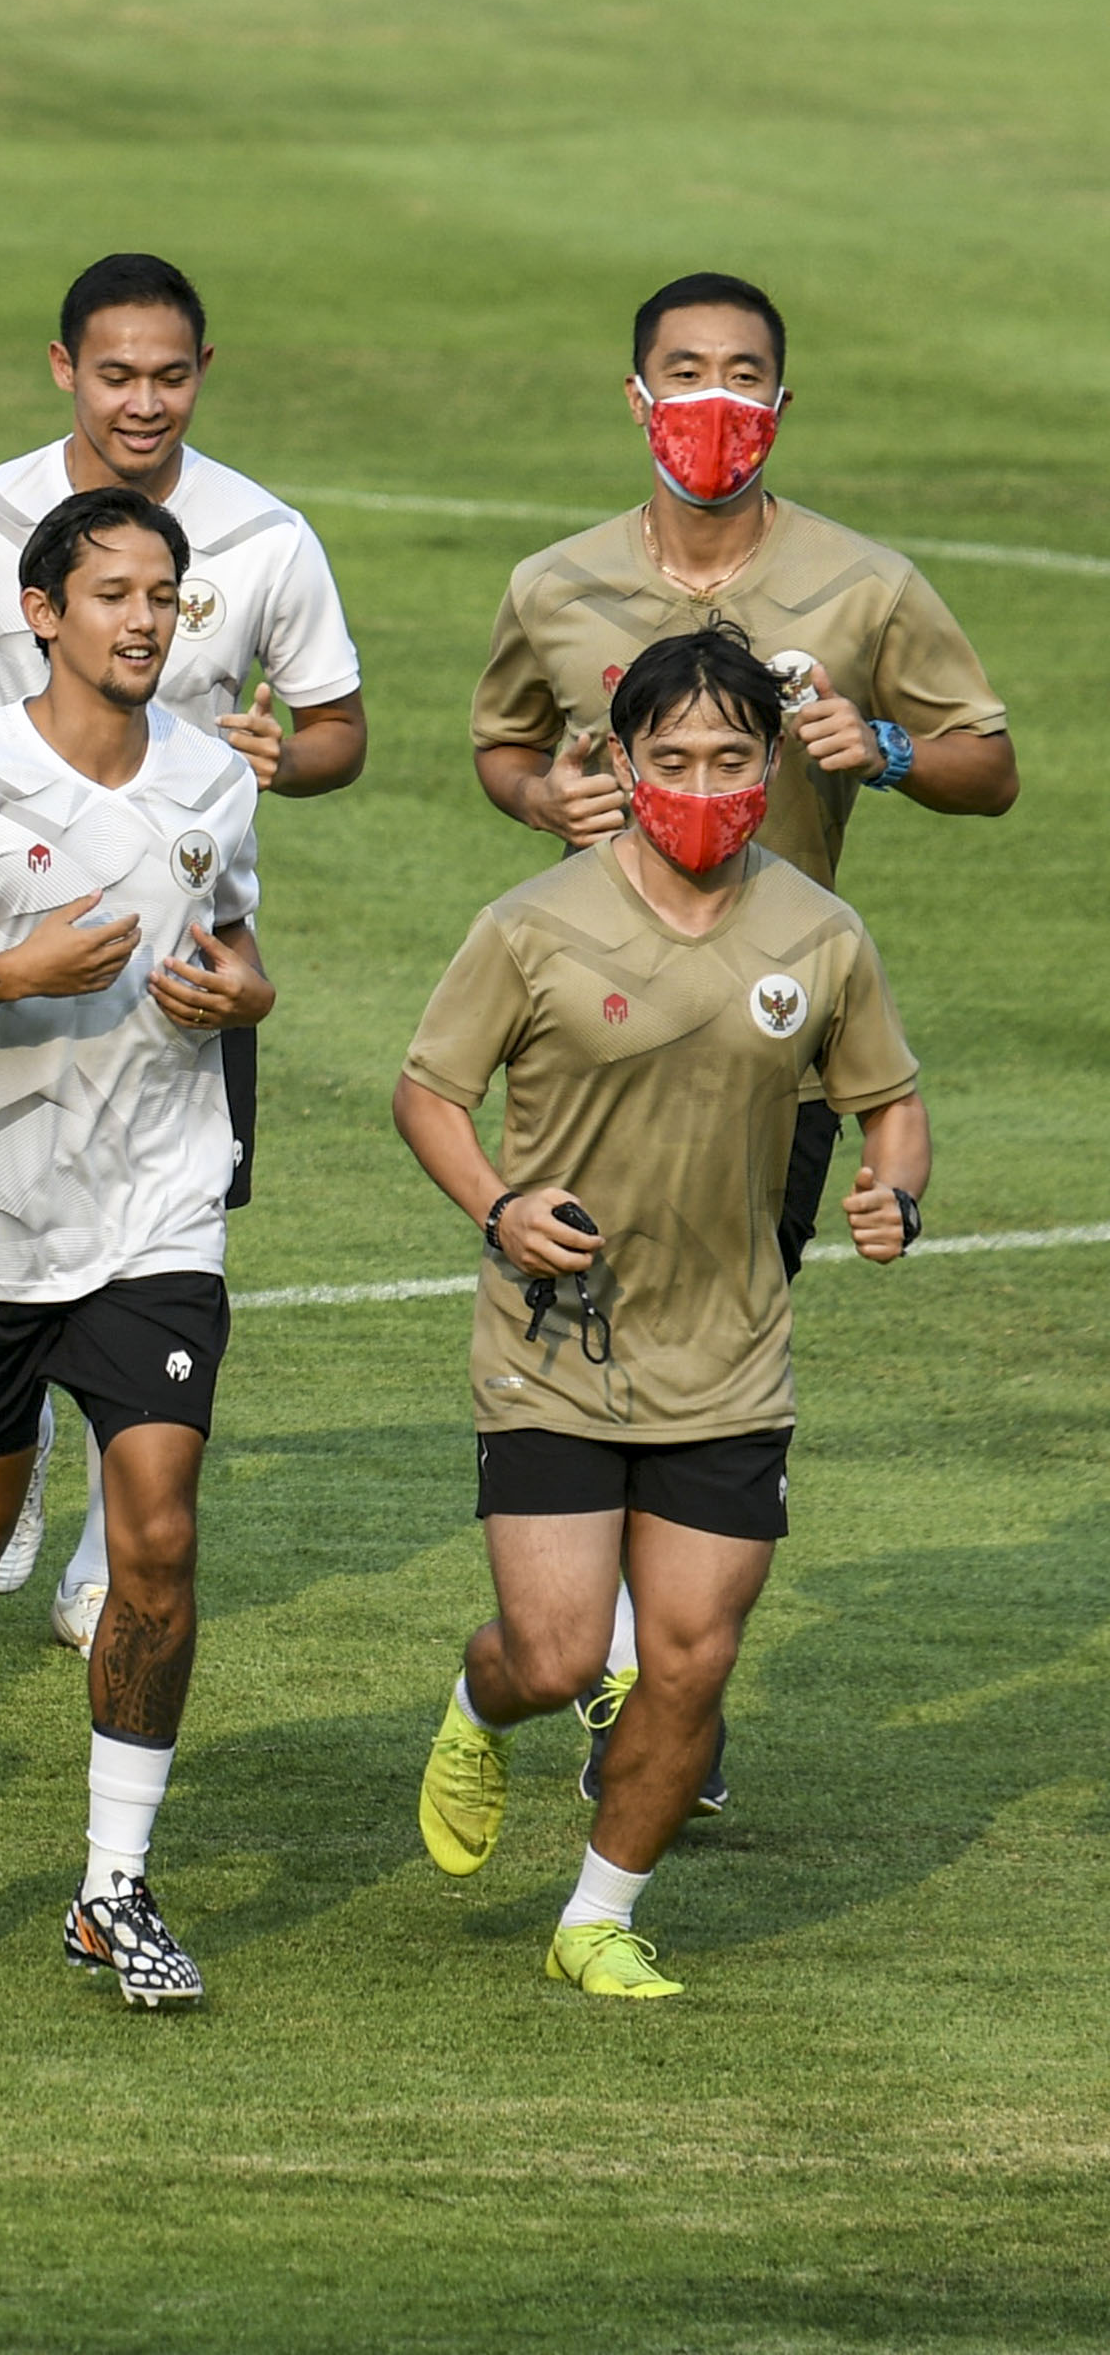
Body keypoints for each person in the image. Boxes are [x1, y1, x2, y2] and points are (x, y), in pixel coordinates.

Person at [469, 271, 1010, 1797]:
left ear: (782, 399)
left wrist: (885, 749)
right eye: (688, 369)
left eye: (744, 373)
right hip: (588, 1042)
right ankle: (615, 1669)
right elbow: (504, 748)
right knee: (584, 1332)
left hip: (773, 1055)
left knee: (710, 1349)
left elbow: (990, 763)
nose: (716, 401)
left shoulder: (867, 586)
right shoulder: (554, 585)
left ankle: (657, 1676)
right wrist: (546, 796)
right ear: (638, 397)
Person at [0, 252, 366, 1655]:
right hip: (15, 947)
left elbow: (338, 730)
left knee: (152, 1234)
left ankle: (95, 1550)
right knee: (15, 1189)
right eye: (118, 374)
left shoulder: (265, 540)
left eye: (171, 376)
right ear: (63, 368)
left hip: (179, 947)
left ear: (206, 374)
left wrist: (285, 758)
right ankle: (7, 1455)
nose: (145, 402)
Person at [401, 625, 927, 1999]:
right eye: (674, 758)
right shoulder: (531, 925)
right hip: (555, 1342)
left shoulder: (820, 934)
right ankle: (479, 1703)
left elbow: (890, 1103)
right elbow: (429, 1094)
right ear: (623, 763)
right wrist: (499, 1208)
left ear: (772, 762)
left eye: (732, 758)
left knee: (688, 1663)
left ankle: (597, 1917)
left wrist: (895, 1192)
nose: (703, 784)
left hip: (730, 1357)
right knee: (559, 1654)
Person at [0, 487, 269, 2011]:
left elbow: (236, 936)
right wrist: (8, 973)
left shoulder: (214, 778)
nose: (144, 620)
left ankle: (112, 1886)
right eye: (112, 595)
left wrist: (245, 995)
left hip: (157, 1211)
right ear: (42, 614)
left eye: (163, 596)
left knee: (158, 1535)